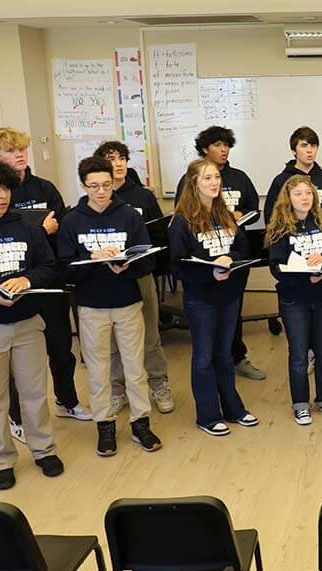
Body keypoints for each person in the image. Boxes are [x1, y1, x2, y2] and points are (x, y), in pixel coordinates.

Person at [0, 128, 90, 441]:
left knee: (61, 347)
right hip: (10, 289)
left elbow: (61, 228)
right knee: (16, 359)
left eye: (22, 150)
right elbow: (2, 234)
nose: (19, 155)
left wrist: (45, 231)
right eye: (10, 151)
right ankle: (17, 417)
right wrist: (39, 228)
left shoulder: (44, 188)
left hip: (47, 280)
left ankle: (67, 401)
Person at [58, 157, 162, 457]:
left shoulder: (129, 216)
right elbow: (65, 268)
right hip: (91, 306)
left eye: (106, 185)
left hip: (127, 302)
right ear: (83, 186)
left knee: (135, 366)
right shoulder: (72, 221)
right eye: (94, 186)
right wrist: (93, 260)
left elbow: (149, 260)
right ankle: (105, 425)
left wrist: (125, 266)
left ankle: (140, 422)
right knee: (99, 369)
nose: (102, 191)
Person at [0, 160, 64, 490]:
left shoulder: (27, 227)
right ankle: (1, 460)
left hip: (28, 323)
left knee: (34, 393)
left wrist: (26, 279)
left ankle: (43, 450)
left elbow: (48, 266)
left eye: (5, 189)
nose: (2, 196)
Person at [169, 158, 259, 437]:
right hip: (201, 299)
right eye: (207, 178)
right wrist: (211, 273)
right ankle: (208, 416)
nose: (214, 183)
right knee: (204, 358)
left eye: (217, 177)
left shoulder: (227, 215)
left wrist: (229, 259)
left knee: (224, 354)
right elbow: (178, 266)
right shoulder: (181, 222)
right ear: (193, 183)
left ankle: (234, 409)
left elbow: (243, 249)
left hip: (229, 295)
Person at [263, 126, 322, 381]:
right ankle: (306, 356)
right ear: (294, 148)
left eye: (313, 145)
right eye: (304, 145)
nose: (309, 150)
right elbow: (271, 219)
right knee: (299, 315)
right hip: (296, 264)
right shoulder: (281, 180)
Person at [175, 126, 266, 381]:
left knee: (232, 309)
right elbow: (182, 215)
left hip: (233, 253)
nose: (223, 150)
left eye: (226, 145)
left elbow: (253, 209)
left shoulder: (239, 177)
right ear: (205, 148)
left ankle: (236, 357)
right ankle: (215, 363)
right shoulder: (189, 180)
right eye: (217, 145)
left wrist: (238, 217)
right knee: (207, 325)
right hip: (205, 261)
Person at [94, 140, 173, 415]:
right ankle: (117, 389)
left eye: (121, 158)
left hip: (139, 273)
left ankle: (158, 383)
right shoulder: (97, 202)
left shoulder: (143, 196)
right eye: (110, 159)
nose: (117, 164)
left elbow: (161, 235)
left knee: (150, 334)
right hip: (107, 280)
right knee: (114, 340)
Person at [266, 174, 322, 425]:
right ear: (288, 198)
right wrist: (305, 277)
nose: (304, 198)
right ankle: (300, 404)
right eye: (298, 193)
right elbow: (276, 267)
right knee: (299, 354)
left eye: (308, 193)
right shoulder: (280, 228)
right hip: (294, 299)